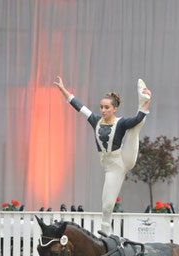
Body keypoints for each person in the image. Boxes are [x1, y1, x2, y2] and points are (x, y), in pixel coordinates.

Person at [54, 76, 151, 235]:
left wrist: (146, 104)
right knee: (106, 205)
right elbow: (79, 106)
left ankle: (144, 99)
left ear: (115, 108)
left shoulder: (121, 123)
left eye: (107, 107)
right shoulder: (95, 120)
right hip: (110, 167)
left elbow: (138, 118)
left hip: (123, 160)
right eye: (102, 107)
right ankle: (107, 234)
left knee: (134, 129)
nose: (103, 110)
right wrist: (64, 91)